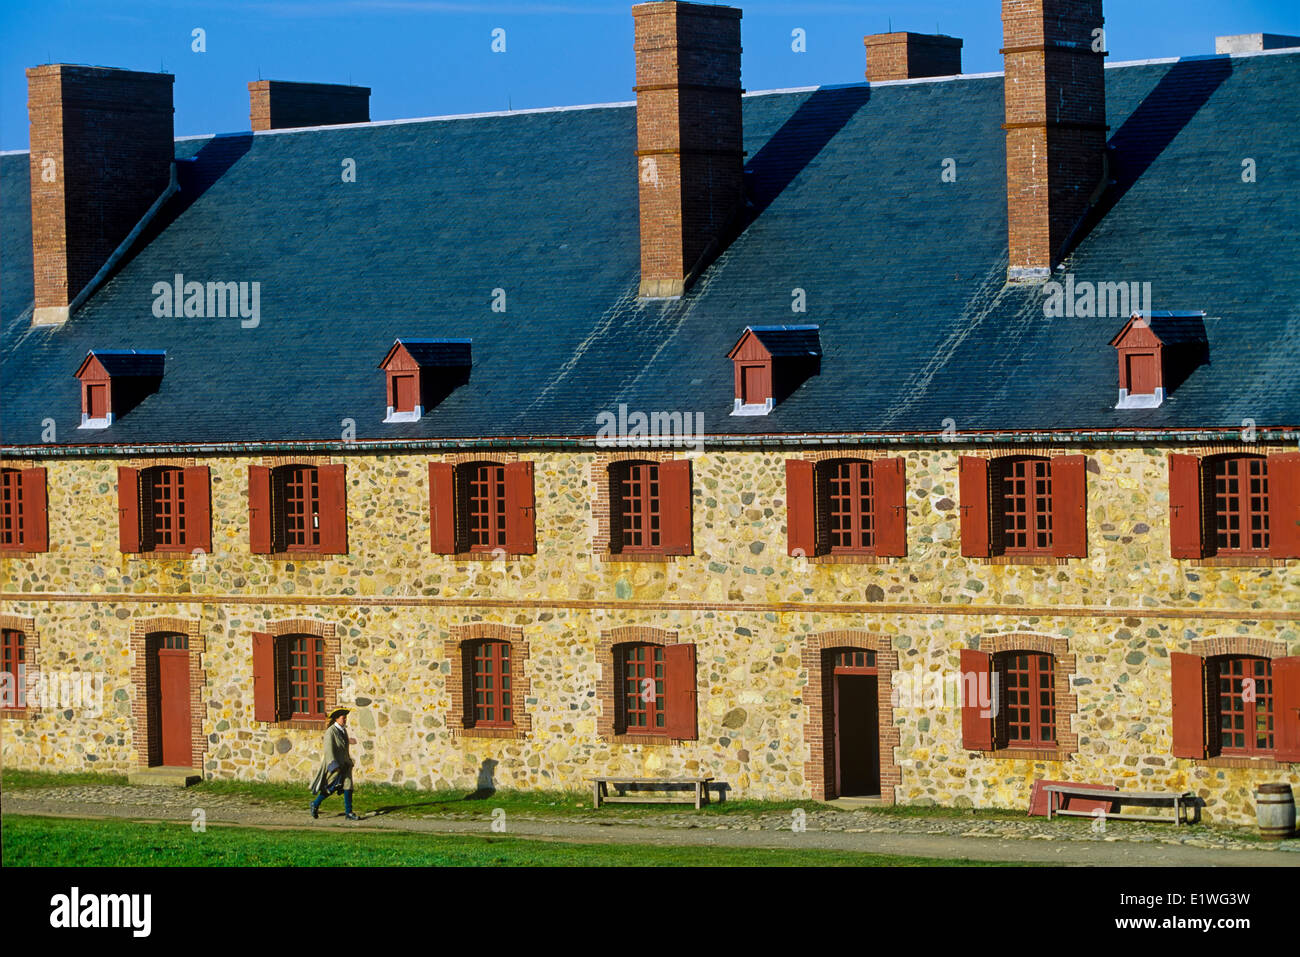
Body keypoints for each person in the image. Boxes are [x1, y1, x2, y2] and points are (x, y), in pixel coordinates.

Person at [311, 707, 359, 820]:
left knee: (348, 786)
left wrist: (348, 761)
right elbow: (328, 750)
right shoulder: (330, 732)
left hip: (345, 765)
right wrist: (334, 765)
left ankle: (349, 813)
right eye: (343, 718)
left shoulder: (343, 730)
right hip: (335, 766)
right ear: (337, 718)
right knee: (331, 788)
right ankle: (315, 804)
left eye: (345, 717)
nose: (345, 720)